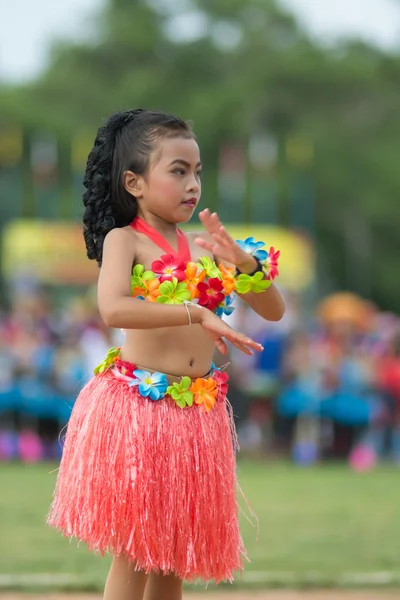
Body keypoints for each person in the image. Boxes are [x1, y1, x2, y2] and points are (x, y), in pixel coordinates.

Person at [47, 108, 285, 600]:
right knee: (135, 551)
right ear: (134, 182)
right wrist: (195, 313)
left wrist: (244, 264)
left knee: (173, 558)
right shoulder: (125, 241)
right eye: (178, 171)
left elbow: (274, 310)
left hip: (197, 415)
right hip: (139, 411)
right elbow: (113, 308)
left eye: (197, 172)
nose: (192, 183)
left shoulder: (209, 247)